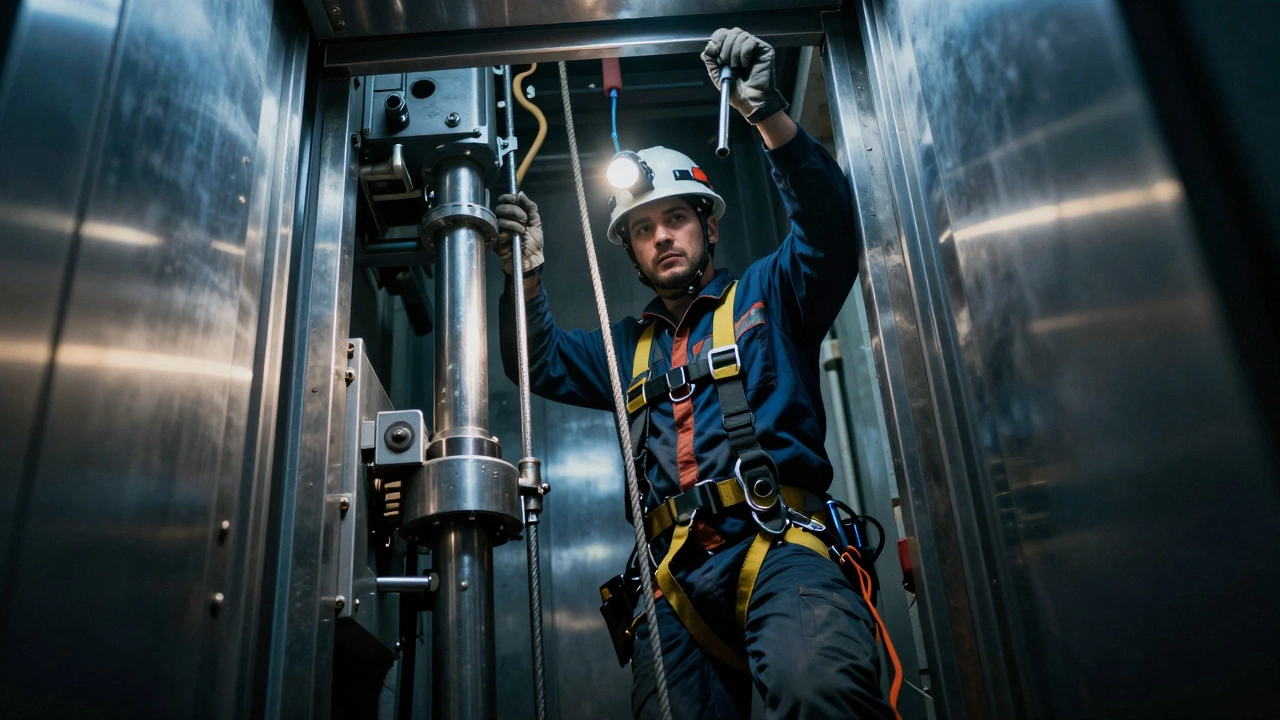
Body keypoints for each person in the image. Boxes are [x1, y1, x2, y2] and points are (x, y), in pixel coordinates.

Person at [496, 27, 895, 720]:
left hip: (782, 551)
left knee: (820, 692)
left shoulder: (773, 294)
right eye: (644, 229)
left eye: (676, 218)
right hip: (672, 583)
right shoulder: (625, 349)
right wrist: (525, 274)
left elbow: (830, 231)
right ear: (631, 253)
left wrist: (767, 114)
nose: (662, 237)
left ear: (708, 227)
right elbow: (537, 361)